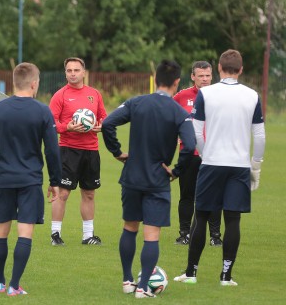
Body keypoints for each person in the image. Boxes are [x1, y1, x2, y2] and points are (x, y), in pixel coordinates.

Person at [102, 60, 196, 298]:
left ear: (155, 79)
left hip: (132, 176)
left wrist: (117, 152)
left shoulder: (137, 102)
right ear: (177, 82)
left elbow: (108, 123)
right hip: (157, 180)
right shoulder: (179, 112)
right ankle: (143, 288)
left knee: (130, 227)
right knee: (151, 235)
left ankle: (127, 280)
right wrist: (176, 171)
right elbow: (190, 146)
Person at [174, 49, 265, 287]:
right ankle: (226, 276)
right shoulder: (252, 95)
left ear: (219, 69)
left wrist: (205, 154)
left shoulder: (207, 93)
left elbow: (195, 131)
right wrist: (256, 166)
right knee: (232, 219)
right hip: (239, 166)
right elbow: (260, 135)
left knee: (201, 216)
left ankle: (191, 273)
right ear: (241, 69)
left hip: (212, 162)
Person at [0, 62, 61, 296]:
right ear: (34, 83)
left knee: (0, 232)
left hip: (4, 179)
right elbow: (52, 150)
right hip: (30, 181)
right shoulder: (42, 111)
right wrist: (55, 180)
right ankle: (14, 286)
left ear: (15, 82)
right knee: (25, 232)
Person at [48, 57, 107, 245]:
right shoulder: (60, 95)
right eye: (69, 70)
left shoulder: (94, 94)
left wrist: (101, 125)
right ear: (65, 73)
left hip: (91, 150)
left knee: (89, 194)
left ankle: (88, 236)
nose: (72, 73)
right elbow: (51, 124)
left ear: (83, 72)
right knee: (63, 193)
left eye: (76, 70)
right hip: (67, 150)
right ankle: (55, 235)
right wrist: (68, 128)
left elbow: (103, 117)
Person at [173, 61, 222, 246]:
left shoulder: (220, 96)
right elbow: (171, 119)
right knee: (187, 195)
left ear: (212, 76)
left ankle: (215, 235)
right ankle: (184, 233)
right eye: (200, 76)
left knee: (214, 196)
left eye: (208, 75)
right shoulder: (182, 97)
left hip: (214, 155)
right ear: (193, 77)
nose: (205, 79)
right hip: (189, 155)